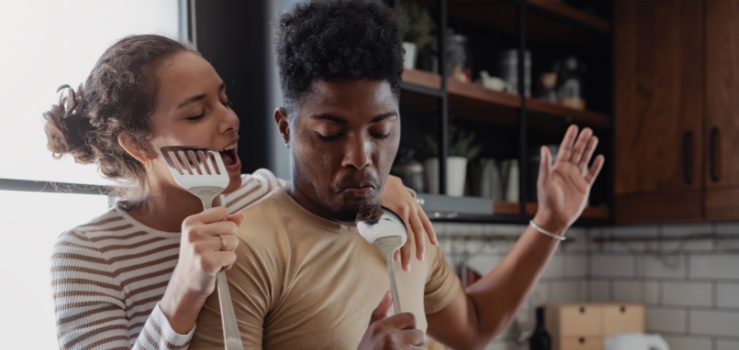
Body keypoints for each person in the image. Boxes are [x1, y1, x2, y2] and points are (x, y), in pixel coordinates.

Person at [189, 0, 605, 349]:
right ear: (285, 127)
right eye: (330, 133)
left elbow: (473, 326)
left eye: (381, 131)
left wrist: (551, 220)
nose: (360, 156)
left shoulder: (402, 227)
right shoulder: (245, 251)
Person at [45, 34, 436, 350]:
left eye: (224, 100)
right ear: (138, 145)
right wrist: (183, 290)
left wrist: (383, 187)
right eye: (197, 114)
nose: (230, 120)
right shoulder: (87, 254)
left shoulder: (262, 194)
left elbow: (335, 194)